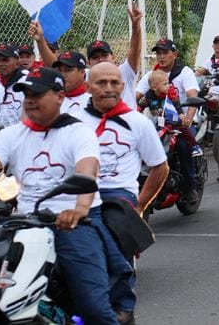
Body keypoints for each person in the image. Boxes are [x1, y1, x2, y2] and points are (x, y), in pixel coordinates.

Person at [0, 66, 129, 324]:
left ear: (60, 96)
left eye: (37, 93)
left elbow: (87, 170)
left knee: (94, 307)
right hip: (24, 224)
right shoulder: (10, 135)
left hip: (72, 224)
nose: (30, 100)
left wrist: (79, 209)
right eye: (25, 93)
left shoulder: (78, 132)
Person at [80, 63, 169, 323]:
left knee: (117, 221)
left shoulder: (138, 123)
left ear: (122, 86)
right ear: (88, 87)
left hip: (118, 195)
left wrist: (139, 205)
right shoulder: (75, 122)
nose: (108, 89)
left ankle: (122, 307)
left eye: (114, 82)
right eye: (100, 83)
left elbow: (159, 167)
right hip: (82, 190)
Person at [30, 4, 144, 110]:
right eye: (95, 57)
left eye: (104, 55)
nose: (100, 59)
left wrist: (135, 27)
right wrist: (41, 41)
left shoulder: (124, 72)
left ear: (113, 57)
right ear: (89, 62)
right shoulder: (87, 75)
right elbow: (56, 66)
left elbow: (135, 50)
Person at [136, 38, 201, 202]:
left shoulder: (185, 72)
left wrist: (188, 118)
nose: (161, 56)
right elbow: (135, 97)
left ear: (175, 54)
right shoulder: (152, 76)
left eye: (165, 52)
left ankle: (190, 186)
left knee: (183, 146)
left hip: (181, 124)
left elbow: (193, 96)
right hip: (157, 125)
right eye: (158, 53)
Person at [53, 51, 90, 117]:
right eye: (59, 71)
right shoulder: (53, 100)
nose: (63, 75)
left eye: (68, 70)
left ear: (82, 72)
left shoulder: (92, 100)